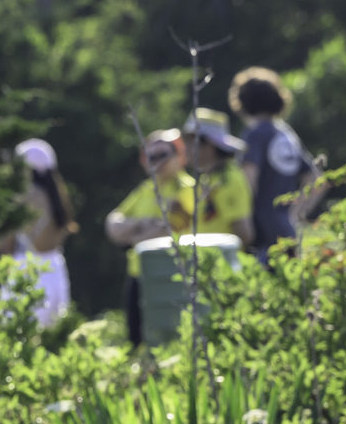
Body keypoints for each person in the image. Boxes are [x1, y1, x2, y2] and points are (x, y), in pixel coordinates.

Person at [105, 129, 194, 347]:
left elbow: (170, 229)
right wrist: (144, 224)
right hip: (138, 273)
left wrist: (134, 233)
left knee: (170, 340)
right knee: (136, 341)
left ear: (178, 156)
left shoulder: (188, 188)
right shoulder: (145, 189)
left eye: (163, 155)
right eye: (150, 156)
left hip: (171, 275)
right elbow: (113, 224)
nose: (156, 162)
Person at [228, 67, 321, 262]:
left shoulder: (255, 134)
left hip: (261, 234)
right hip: (286, 230)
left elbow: (248, 180)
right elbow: (315, 178)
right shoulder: (286, 134)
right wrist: (295, 215)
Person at [0, 138, 77, 326]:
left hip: (26, 271)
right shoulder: (58, 198)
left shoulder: (22, 197)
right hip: (55, 271)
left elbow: (4, 245)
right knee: (54, 335)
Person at [182, 108, 254, 246]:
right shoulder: (208, 177)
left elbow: (244, 235)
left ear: (208, 145)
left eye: (190, 142)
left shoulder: (228, 179)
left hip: (221, 265)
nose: (185, 148)